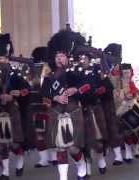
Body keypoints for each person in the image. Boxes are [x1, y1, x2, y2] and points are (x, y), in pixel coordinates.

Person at [43, 29, 87, 180]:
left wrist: (76, 89)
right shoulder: (49, 76)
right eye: (56, 56)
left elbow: (87, 86)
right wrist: (55, 97)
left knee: (73, 147)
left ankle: (81, 163)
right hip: (56, 112)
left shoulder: (76, 71)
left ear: (67, 57)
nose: (59, 58)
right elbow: (44, 93)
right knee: (60, 146)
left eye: (61, 55)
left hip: (73, 110)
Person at [0, 33, 28, 180]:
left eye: (3, 58)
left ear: (7, 57)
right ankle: (5, 173)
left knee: (14, 142)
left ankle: (20, 158)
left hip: (12, 109)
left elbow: (26, 89)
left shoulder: (15, 73)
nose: (0, 62)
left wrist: (14, 94)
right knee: (1, 142)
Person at [30, 46, 57, 168]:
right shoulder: (31, 71)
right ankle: (43, 159)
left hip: (50, 106)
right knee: (39, 133)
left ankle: (54, 157)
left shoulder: (52, 72)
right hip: (36, 106)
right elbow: (31, 87)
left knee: (52, 132)